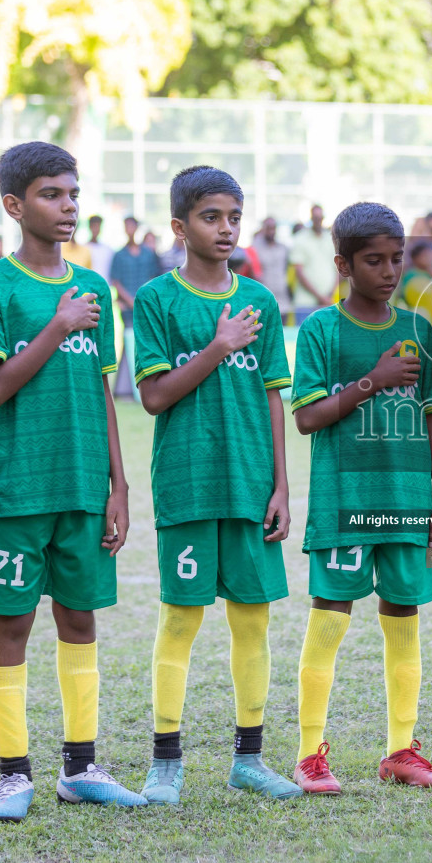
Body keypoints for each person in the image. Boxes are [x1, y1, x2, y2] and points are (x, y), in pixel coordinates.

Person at [0, 142, 141, 821]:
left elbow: (103, 391)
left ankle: (81, 766)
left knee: (79, 619)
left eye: (73, 193)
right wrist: (56, 324)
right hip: (20, 486)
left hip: (82, 486)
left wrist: (118, 485)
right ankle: (13, 773)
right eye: (51, 194)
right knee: (11, 623)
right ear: (15, 205)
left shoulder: (95, 286)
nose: (68, 206)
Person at [132, 166, 301, 803]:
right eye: (210, 216)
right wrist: (217, 345)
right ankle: (166, 762)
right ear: (180, 227)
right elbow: (153, 397)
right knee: (180, 620)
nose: (225, 227)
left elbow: (271, 399)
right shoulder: (157, 300)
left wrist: (281, 486)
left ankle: (249, 760)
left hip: (252, 487)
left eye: (233, 215)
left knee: (252, 623)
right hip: (189, 484)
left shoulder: (258, 300)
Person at [288, 202, 432, 794]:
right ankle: (310, 754)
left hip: (407, 498)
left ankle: (401, 750)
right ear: (343, 264)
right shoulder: (321, 330)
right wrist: (371, 382)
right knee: (330, 620)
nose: (389, 271)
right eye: (373, 261)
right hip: (344, 499)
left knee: (403, 619)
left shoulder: (418, 329)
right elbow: (307, 417)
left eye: (397, 259)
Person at [109, 216, 161, 327]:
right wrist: (130, 302)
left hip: (146, 304)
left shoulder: (148, 253)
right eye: (127, 226)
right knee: (129, 338)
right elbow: (116, 282)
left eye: (131, 226)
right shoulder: (119, 255)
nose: (129, 229)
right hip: (126, 309)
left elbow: (153, 277)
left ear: (137, 228)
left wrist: (143, 299)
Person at [290, 204, 339, 320]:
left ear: (323, 218)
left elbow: (338, 269)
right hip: (305, 303)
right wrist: (321, 297)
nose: (318, 220)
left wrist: (328, 296)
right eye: (315, 218)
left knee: (327, 337)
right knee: (303, 337)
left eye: (320, 217)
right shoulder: (300, 238)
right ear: (311, 218)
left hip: (328, 302)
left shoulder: (331, 238)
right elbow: (299, 272)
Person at [251, 217, 291, 312]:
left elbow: (286, 269)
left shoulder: (283, 248)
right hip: (263, 298)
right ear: (263, 229)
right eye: (268, 228)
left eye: (273, 228)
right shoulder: (255, 249)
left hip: (282, 299)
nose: (271, 231)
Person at [84, 215, 113, 281]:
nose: (96, 229)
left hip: (104, 287)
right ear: (89, 227)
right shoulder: (83, 248)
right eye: (94, 226)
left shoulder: (107, 250)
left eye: (98, 226)